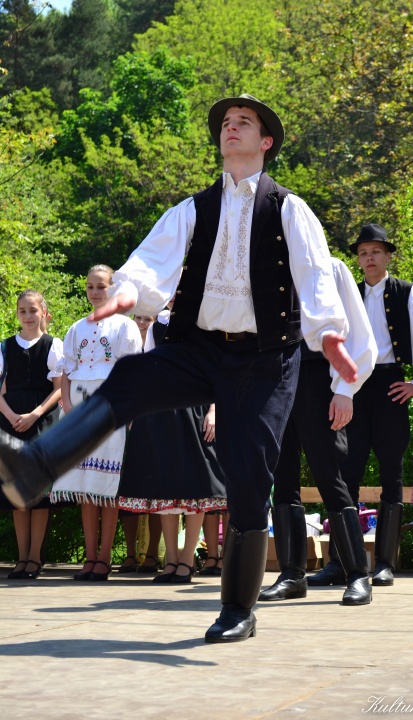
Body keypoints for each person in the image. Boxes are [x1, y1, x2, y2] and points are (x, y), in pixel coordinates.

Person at [0, 94, 358, 643]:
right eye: (226, 123)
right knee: (132, 378)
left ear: (265, 142)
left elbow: (315, 278)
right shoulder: (193, 209)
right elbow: (150, 262)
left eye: (243, 122)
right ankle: (36, 466)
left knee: (248, 474)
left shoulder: (290, 209)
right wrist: (127, 292)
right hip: (198, 348)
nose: (231, 128)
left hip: (265, 360)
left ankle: (237, 609)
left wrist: (329, 334)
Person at [335, 223, 413, 587]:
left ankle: (385, 563)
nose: (369, 258)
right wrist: (338, 388)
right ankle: (344, 562)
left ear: (388, 256)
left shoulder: (405, 292)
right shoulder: (348, 295)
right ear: (358, 260)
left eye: (375, 252)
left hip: (390, 385)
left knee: (391, 472)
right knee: (347, 471)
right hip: (354, 386)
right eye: (363, 253)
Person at [258, 257, 377, 605]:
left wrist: (345, 390)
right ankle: (292, 575)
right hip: (275, 377)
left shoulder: (330, 267)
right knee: (282, 479)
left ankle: (357, 574)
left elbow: (358, 333)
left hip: (317, 378)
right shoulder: (264, 267)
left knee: (329, 475)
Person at [48, 265, 142, 581]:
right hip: (78, 409)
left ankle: (104, 559)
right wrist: (67, 405)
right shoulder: (77, 327)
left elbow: (131, 373)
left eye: (101, 286)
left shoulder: (125, 326)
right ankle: (89, 558)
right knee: (84, 487)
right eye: (90, 286)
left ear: (113, 287)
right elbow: (66, 372)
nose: (95, 292)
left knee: (106, 485)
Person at [118, 311, 227, 583]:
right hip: (161, 409)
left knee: (195, 484)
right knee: (164, 484)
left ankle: (187, 559)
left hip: (195, 406)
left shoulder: (203, 321)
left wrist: (214, 410)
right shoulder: (158, 325)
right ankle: (171, 560)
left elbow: (216, 368)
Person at [0, 290, 63, 580]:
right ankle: (21, 557)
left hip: (41, 420)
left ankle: (35, 557)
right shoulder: (4, 347)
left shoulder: (53, 345)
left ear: (43, 313)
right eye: (22, 311)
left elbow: (59, 388)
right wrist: (11, 416)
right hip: (10, 420)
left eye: (33, 310)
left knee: (38, 491)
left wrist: (35, 414)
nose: (27, 316)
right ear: (17, 314)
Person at [117, 313, 163, 574]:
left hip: (156, 422)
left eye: (147, 318)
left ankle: (153, 554)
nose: (142, 323)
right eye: (138, 318)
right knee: (129, 490)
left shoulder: (161, 346)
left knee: (155, 489)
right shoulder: (127, 349)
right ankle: (130, 553)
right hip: (128, 423)